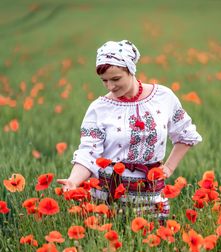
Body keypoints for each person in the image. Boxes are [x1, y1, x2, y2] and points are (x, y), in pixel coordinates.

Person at [57, 39, 202, 222]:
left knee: (152, 243)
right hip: (108, 199)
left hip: (151, 196)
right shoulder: (99, 108)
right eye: (104, 81)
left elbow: (185, 133)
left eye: (116, 79)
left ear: (131, 70)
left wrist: (169, 167)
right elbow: (88, 153)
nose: (110, 86)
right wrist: (73, 181)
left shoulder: (163, 97)